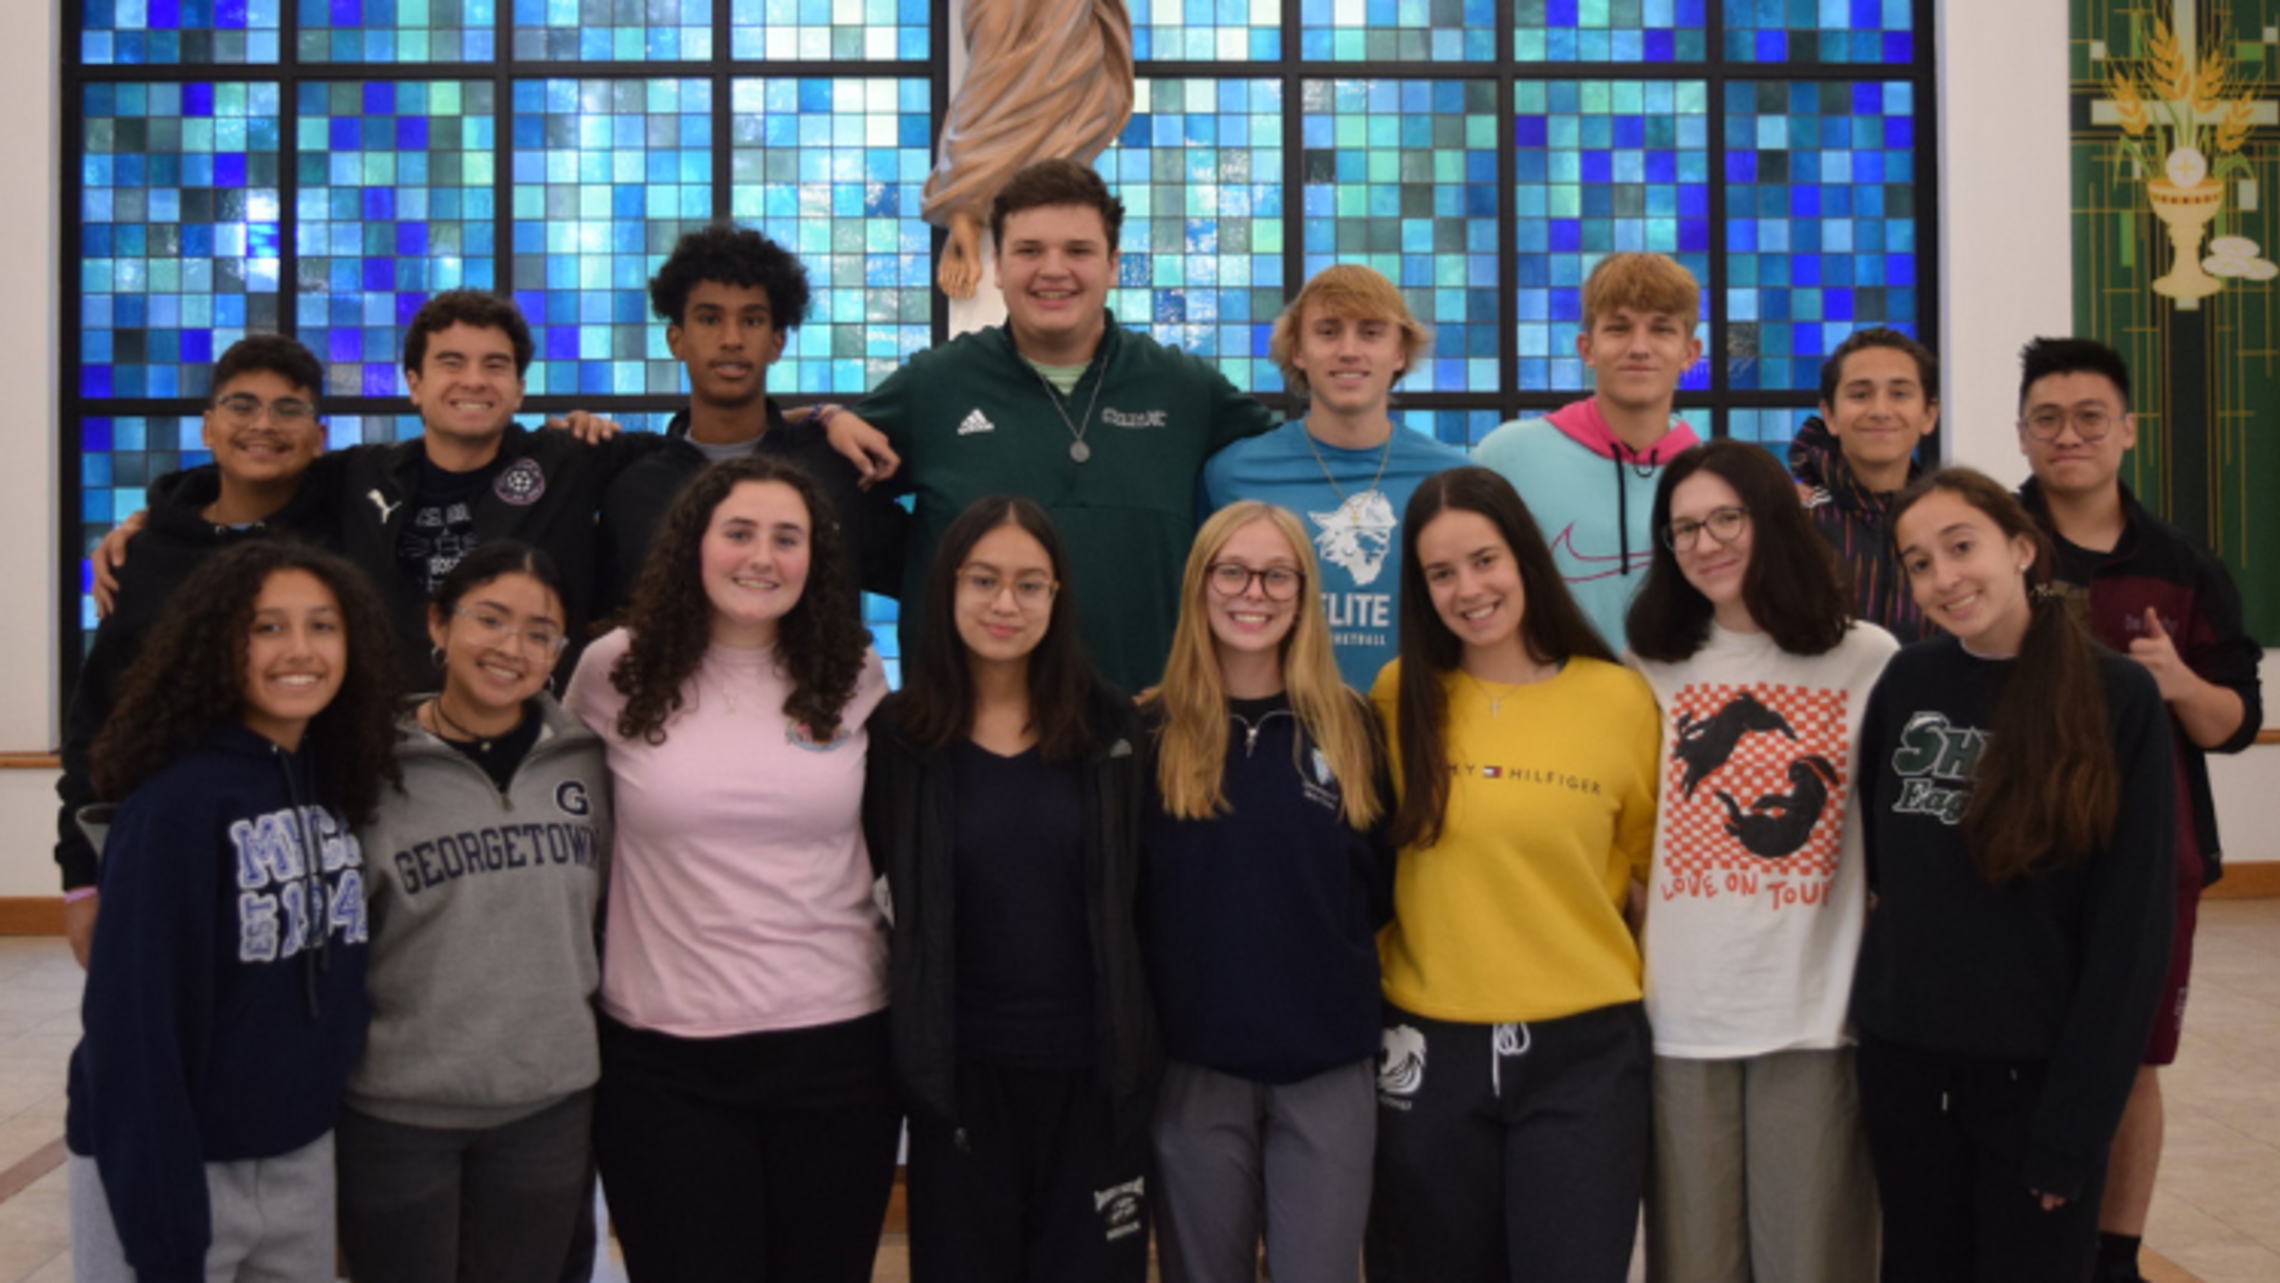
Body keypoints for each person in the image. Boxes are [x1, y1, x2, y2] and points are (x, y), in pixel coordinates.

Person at [565, 454, 899, 1282]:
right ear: (694, 543)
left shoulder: (852, 669)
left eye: (788, 538)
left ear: (815, 557)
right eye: (739, 532)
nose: (762, 556)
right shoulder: (614, 668)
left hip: (838, 1049)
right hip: (664, 1059)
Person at [1857, 467, 2177, 1283]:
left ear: (2023, 549)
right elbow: (1883, 866)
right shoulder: (1907, 680)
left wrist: (2074, 1129)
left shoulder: (2116, 695)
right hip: (1909, 1075)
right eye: (1919, 562)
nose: (1944, 577)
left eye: (1961, 546)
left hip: (2038, 1088)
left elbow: (2133, 933)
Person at [65, 540, 403, 1283]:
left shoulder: (335, 783)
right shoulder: (175, 807)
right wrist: (166, 1233)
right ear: (218, 643)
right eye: (267, 627)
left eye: (323, 625)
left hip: (296, 1154)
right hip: (172, 1169)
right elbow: (134, 1032)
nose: (301, 649)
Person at [2007, 338, 2264, 1283]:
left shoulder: (2184, 565)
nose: (2067, 435)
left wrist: (2178, 681)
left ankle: (2114, 1257)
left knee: (2131, 1061)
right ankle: (2023, 1241)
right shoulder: (1995, 545)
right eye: (2047, 419)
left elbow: (2237, 724)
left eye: (2089, 417)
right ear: (2022, 433)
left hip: (2155, 860)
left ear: (2127, 430)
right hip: (2016, 854)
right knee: (2013, 1055)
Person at [1369, 466, 1660, 1281]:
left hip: (1586, 1052)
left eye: (1485, 559)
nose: (1468, 589)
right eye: (1441, 572)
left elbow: (1651, 882)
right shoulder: (1397, 697)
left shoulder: (1620, 699)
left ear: (1525, 557)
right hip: (1428, 1047)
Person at [863, 496, 1157, 1282]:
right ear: (948, 587)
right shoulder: (899, 737)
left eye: (1030, 584)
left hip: (1094, 1079)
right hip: (959, 1082)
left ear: (1057, 597)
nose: (1006, 603)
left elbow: (1143, 899)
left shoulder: (1112, 727)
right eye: (984, 579)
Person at [848, 158, 1279, 692]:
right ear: (998, 265)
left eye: (1078, 251)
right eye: (1029, 251)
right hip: (964, 726)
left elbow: (1295, 471)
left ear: (1113, 265)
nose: (1053, 270)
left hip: (1149, 725)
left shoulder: (1186, 390)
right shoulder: (933, 386)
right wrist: (923, 573)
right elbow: (816, 491)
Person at [1625, 439, 1897, 1283]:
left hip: (1815, 1007)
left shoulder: (1867, 657)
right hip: (1682, 1013)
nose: (1705, 543)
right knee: (1694, 1264)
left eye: (1726, 519)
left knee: (1813, 1262)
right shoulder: (1647, 664)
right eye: (1683, 529)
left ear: (1772, 518)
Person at [336, 541, 612, 1283]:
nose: (511, 648)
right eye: (489, 619)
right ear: (438, 623)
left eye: (539, 632)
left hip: (547, 1106)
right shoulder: (366, 764)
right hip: (398, 1114)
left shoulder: (588, 761)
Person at [1142, 500, 1392, 1283]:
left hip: (1327, 1068)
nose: (1254, 592)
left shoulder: (1353, 726)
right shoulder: (1146, 730)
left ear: (1304, 592)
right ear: (1199, 583)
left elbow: (1379, 888)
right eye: (1233, 571)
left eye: (1277, 575)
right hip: (1193, 1067)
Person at [55, 335, 334, 968]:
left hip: (314, 856)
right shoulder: (147, 556)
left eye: (288, 409)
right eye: (242, 405)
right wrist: (81, 878)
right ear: (209, 427)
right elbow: (98, 724)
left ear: (318, 437)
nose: (263, 424)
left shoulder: (344, 537)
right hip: (170, 848)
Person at [597, 222, 908, 619]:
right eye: (710, 319)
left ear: (777, 343)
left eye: (752, 320)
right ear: (676, 340)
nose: (732, 339)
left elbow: (925, 576)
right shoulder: (636, 487)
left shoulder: (833, 470)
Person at [1201, 265, 1468, 691]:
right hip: (1276, 722)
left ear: (1400, 353)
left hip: (1411, 721)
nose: (1349, 351)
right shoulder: (1231, 475)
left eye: (1371, 333)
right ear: (1298, 351)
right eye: (1327, 332)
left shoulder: (1453, 480)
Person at [1472, 252, 1705, 649]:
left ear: (1690, 353)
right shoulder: (1506, 457)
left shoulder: (1715, 478)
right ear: (1587, 347)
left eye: (1662, 329)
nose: (1639, 348)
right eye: (1618, 328)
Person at [1789, 326, 1940, 642]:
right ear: (1829, 415)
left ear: (1929, 414)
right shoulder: (1794, 518)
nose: (1880, 411)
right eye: (1860, 395)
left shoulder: (1949, 522)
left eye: (1899, 394)